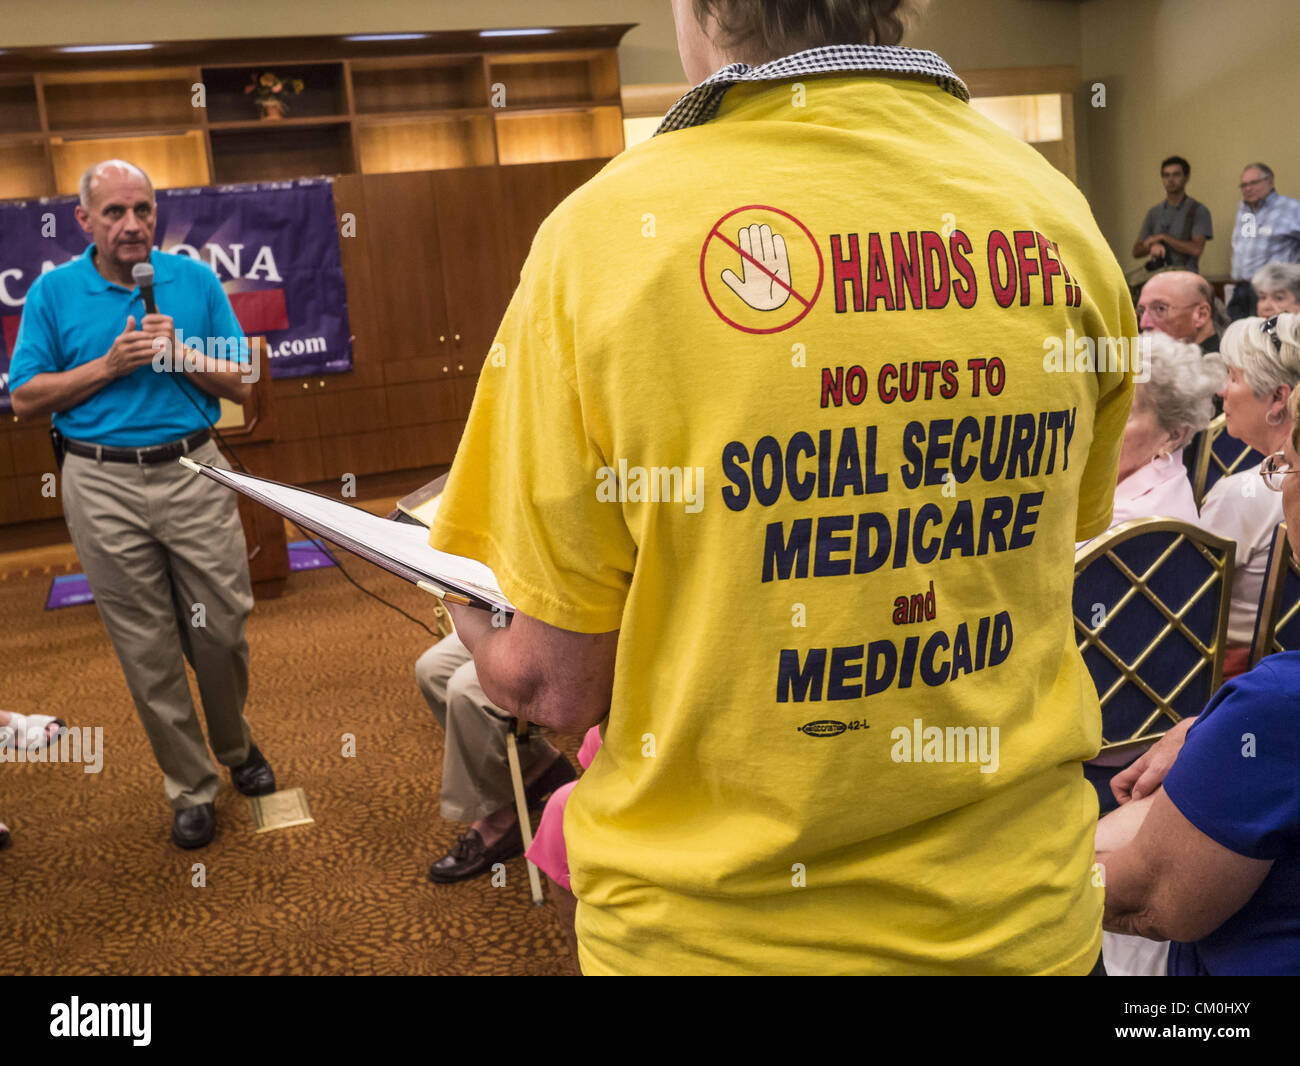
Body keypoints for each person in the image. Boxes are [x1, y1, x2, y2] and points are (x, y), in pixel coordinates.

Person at [429, 0, 1137, 976]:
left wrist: (462, 611)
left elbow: (551, 684)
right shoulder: (1058, 215)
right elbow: (1032, 549)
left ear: (699, 9)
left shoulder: (599, 241)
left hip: (718, 942)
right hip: (1020, 920)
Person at [7, 159, 275, 849]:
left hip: (193, 469)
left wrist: (178, 352)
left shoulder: (192, 280)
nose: (132, 225)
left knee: (223, 630)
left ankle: (236, 744)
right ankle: (191, 787)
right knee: (147, 647)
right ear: (85, 221)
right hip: (100, 484)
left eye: (144, 210)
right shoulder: (54, 293)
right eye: (116, 213)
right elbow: (24, 398)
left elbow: (244, 383)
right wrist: (109, 366)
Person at [1097, 386, 1300, 974]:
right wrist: (1210, 728)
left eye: (1283, 467)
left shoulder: (1275, 706)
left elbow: (1149, 898)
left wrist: (996, 871)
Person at [415, 632, 576, 882]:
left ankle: (497, 817)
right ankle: (537, 762)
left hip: (563, 634)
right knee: (432, 669)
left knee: (465, 689)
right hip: (511, 615)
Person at [1198, 313, 1300, 678]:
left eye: (1233, 377)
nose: (1222, 390)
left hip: (1232, 682)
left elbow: (1188, 609)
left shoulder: (1243, 492)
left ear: (1278, 397)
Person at [1096, 331, 1223, 536]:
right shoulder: (1170, 478)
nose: (1098, 423)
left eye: (1122, 413)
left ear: (1173, 436)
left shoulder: (1123, 522)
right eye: (1101, 403)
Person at [1228, 163, 1300, 321]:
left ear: (1270, 181)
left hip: (1273, 292)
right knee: (1237, 339)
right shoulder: (1243, 209)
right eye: (1243, 185)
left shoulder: (1292, 208)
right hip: (1240, 289)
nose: (1247, 188)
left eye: (1253, 183)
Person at [1132, 156, 1212, 274]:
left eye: (1176, 175)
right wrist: (1151, 246)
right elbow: (1136, 251)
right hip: (1158, 277)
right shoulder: (1154, 212)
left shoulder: (1198, 210)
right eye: (1166, 175)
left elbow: (1196, 249)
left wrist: (1164, 237)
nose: (1170, 180)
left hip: (1186, 277)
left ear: (1186, 177)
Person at [1136, 269, 1220, 351]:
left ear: (1202, 315)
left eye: (1160, 309)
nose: (1143, 324)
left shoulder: (1218, 363)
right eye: (1142, 311)